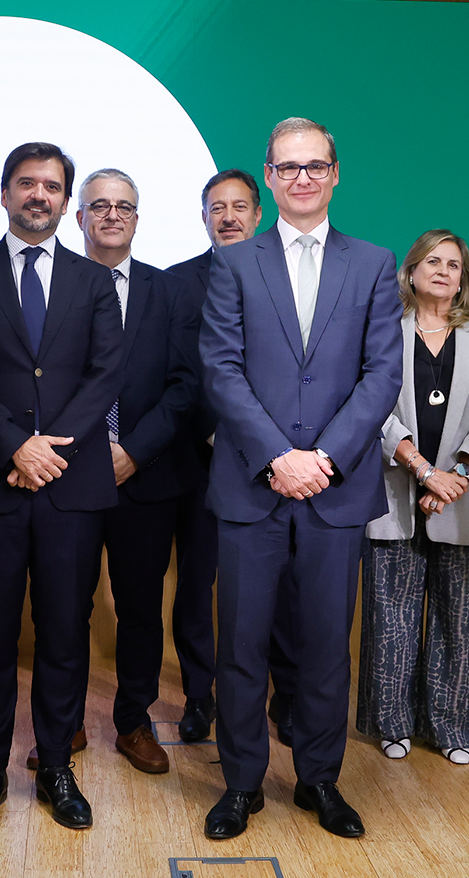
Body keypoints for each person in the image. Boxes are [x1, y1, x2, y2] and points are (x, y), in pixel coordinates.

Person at [199, 118, 404, 841]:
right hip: (251, 487)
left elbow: (383, 374)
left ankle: (319, 779)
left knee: (324, 647)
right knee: (241, 647)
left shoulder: (374, 263)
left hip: (334, 488)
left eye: (315, 165)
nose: (303, 178)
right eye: (288, 167)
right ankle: (241, 785)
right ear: (269, 176)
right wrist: (276, 457)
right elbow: (220, 369)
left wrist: (324, 458)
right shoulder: (233, 263)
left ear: (336, 172)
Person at [0, 142, 123, 833]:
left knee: (65, 633)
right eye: (26, 183)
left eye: (51, 185)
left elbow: (106, 374)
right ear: (5, 193)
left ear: (66, 202)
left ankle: (57, 768)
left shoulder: (94, 281)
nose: (39, 194)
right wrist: (15, 445)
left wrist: (47, 450)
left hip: (70, 487)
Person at [357, 229, 469, 767]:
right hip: (395, 489)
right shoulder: (382, 328)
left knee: (457, 617)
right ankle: (393, 724)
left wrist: (456, 476)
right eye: (433, 261)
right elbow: (370, 404)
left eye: (454, 264)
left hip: (463, 493)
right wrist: (423, 471)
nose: (443, 271)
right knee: (391, 618)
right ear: (412, 271)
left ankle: (453, 727)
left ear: (463, 278)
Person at [68, 168, 197, 774]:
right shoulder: (55, 285)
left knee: (140, 608)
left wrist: (133, 451)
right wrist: (91, 452)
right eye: (99, 205)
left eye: (124, 206)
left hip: (146, 477)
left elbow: (185, 385)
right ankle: (62, 721)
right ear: (79, 218)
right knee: (66, 605)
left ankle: (134, 721)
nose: (112, 214)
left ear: (138, 219)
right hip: (68, 475)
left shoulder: (170, 292)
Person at [166, 169, 298, 747]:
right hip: (201, 457)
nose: (228, 217)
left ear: (258, 214)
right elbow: (177, 371)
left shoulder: (289, 274)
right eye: (216, 208)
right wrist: (218, 434)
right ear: (203, 218)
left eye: (239, 206)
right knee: (198, 583)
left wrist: (268, 443)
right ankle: (201, 695)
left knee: (282, 583)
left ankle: (285, 695)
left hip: (280, 461)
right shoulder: (176, 283)